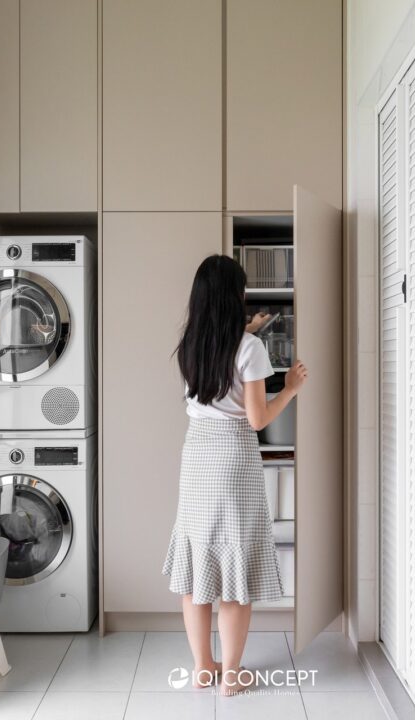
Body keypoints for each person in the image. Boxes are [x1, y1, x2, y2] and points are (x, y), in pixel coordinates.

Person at [161, 254, 307, 696]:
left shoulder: (191, 343)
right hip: (233, 461)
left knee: (199, 563)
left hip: (197, 457)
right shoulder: (251, 350)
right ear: (232, 297)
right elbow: (258, 419)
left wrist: (247, 334)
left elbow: (222, 363)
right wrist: (291, 387)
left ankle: (204, 667)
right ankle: (233, 675)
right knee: (235, 567)